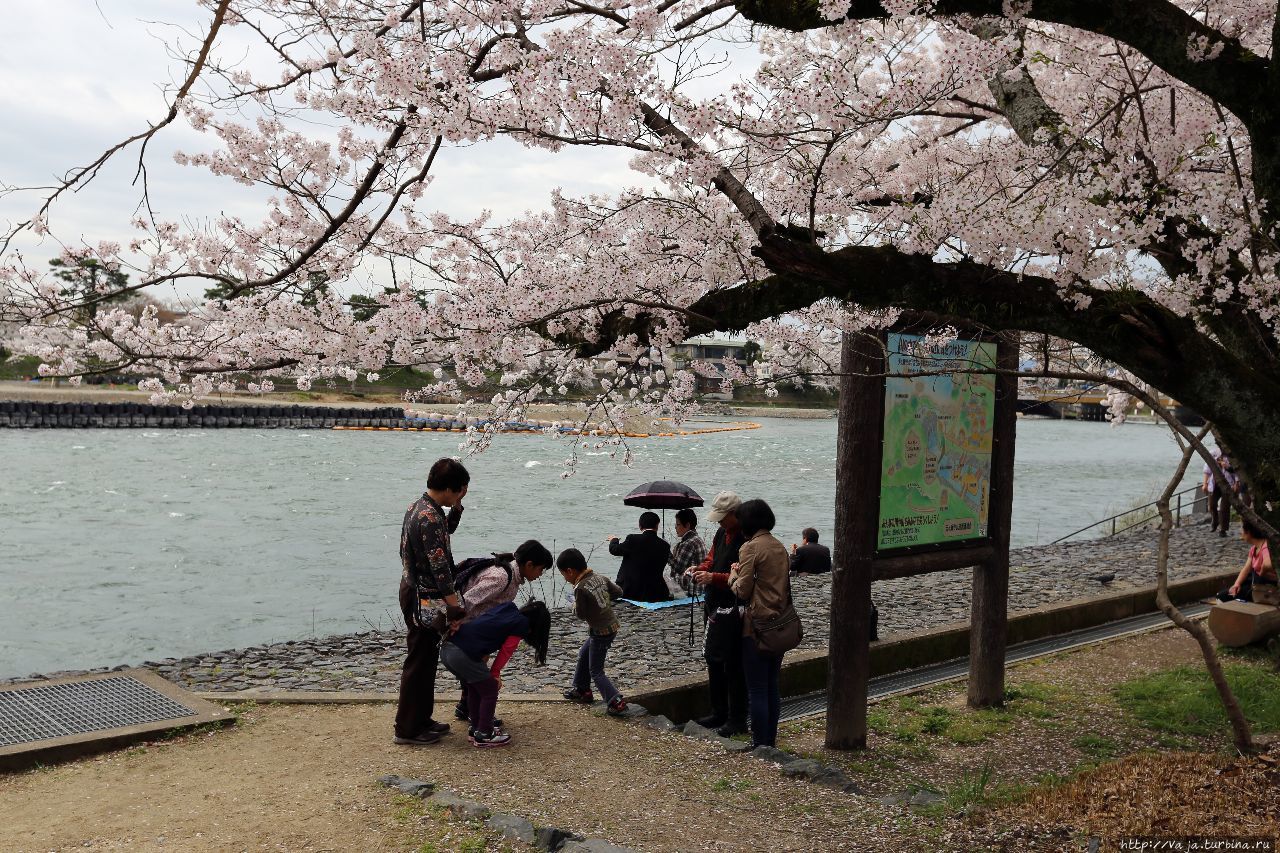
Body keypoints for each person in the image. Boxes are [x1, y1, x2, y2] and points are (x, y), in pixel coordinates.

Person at [394, 457, 469, 746]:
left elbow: (442, 535)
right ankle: (408, 728)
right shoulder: (430, 517)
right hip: (424, 597)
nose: (461, 494)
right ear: (450, 488)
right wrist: (454, 605)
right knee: (419, 661)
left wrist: (458, 508)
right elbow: (439, 567)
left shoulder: (421, 507)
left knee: (425, 660)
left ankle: (420, 720)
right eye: (460, 490)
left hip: (414, 589)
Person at [451, 539, 554, 723]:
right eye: (541, 569)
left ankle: (467, 706)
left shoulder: (512, 577)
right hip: (465, 627)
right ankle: (478, 718)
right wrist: (455, 626)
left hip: (474, 627)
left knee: (477, 668)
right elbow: (467, 600)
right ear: (529, 564)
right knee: (478, 672)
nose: (540, 575)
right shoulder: (501, 577)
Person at [440, 600, 551, 747]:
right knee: (490, 689)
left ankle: (476, 729)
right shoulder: (521, 624)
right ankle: (485, 733)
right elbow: (506, 651)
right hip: (462, 654)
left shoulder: (507, 607)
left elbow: (484, 623)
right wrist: (495, 673)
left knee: (475, 686)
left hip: (447, 648)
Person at [730, 498, 791, 750]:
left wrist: (733, 575)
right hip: (780, 622)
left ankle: (759, 743)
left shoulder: (750, 548)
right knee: (771, 685)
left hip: (756, 626)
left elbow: (742, 591)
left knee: (756, 687)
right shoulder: (780, 547)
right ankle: (770, 740)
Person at [686, 491, 748, 737]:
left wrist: (713, 577)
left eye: (723, 518)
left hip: (733, 606)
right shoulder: (722, 533)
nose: (720, 522)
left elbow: (743, 576)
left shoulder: (746, 539)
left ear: (735, 514)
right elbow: (711, 559)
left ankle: (737, 717)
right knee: (712, 657)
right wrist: (700, 569)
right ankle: (719, 711)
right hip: (714, 603)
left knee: (732, 663)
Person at [557, 548, 629, 716]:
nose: (565, 579)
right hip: (611, 626)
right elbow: (618, 592)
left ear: (570, 571)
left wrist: (573, 605)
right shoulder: (600, 577)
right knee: (584, 652)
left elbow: (581, 614)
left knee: (596, 671)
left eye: (564, 575)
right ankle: (582, 689)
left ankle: (615, 700)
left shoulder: (580, 589)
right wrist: (602, 601)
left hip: (600, 631)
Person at [608, 511, 672, 602]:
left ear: (640, 525)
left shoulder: (632, 539)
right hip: (655, 593)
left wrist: (614, 539)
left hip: (630, 591)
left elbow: (614, 550)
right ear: (657, 526)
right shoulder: (665, 546)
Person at [1217, 519, 1276, 603]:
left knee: (1222, 598)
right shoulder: (1254, 548)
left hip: (1265, 589)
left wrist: (1262, 573)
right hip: (1255, 586)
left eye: (1242, 529)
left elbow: (1267, 564)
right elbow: (1246, 568)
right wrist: (1237, 584)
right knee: (1222, 595)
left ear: (1248, 532)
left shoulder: (1265, 547)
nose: (1241, 532)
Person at [668, 508, 707, 594]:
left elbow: (678, 568)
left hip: (693, 589)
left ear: (687, 525)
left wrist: (667, 552)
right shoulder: (697, 539)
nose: (675, 527)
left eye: (678, 524)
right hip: (701, 587)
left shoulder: (688, 543)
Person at [1203, 448, 1239, 537]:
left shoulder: (1233, 454)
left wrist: (1237, 483)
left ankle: (1223, 529)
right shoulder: (1213, 453)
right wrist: (1204, 484)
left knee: (1224, 508)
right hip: (1215, 483)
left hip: (1229, 484)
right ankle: (1215, 520)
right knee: (1212, 505)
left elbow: (1238, 470)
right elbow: (1207, 470)